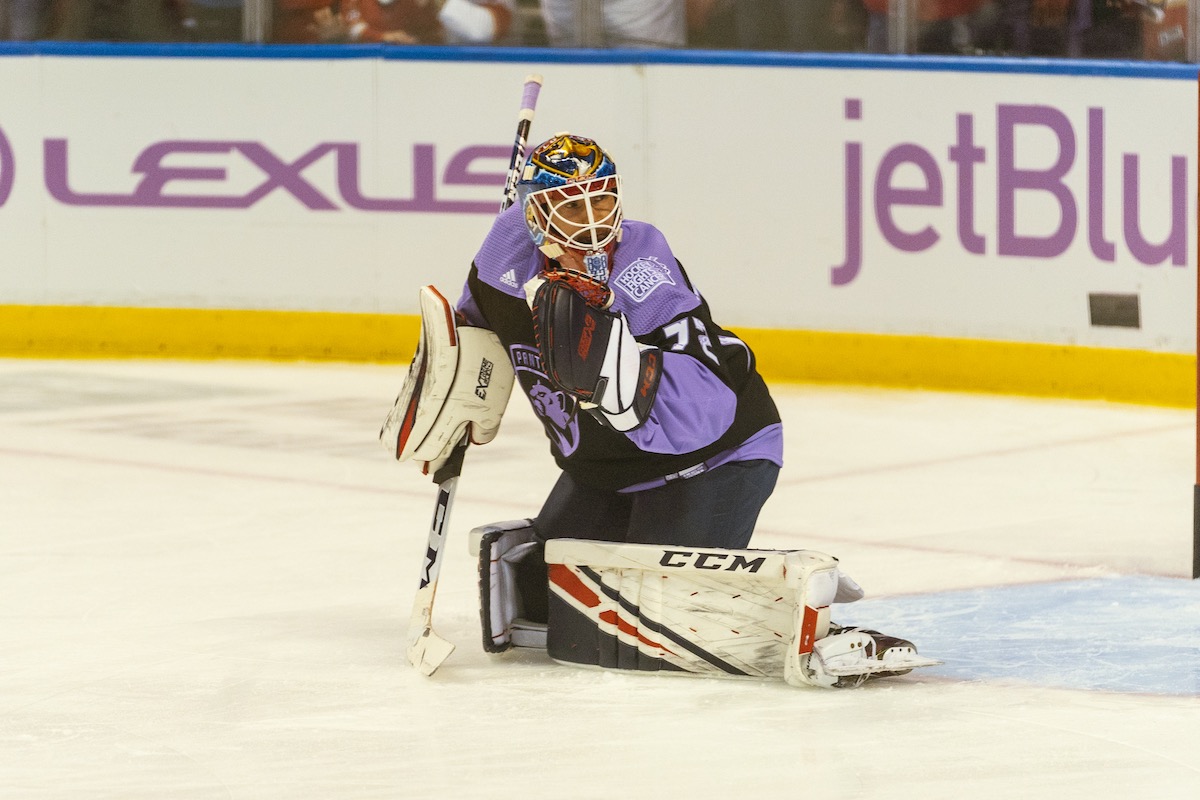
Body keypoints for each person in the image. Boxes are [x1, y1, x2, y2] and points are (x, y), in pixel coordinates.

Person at [455, 133, 783, 551]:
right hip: (607, 469)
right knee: (537, 583)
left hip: (713, 460)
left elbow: (706, 412)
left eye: (601, 200)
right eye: (572, 206)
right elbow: (474, 332)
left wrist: (620, 381)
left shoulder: (642, 271)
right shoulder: (506, 251)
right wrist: (453, 397)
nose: (592, 220)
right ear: (534, 213)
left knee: (650, 592)